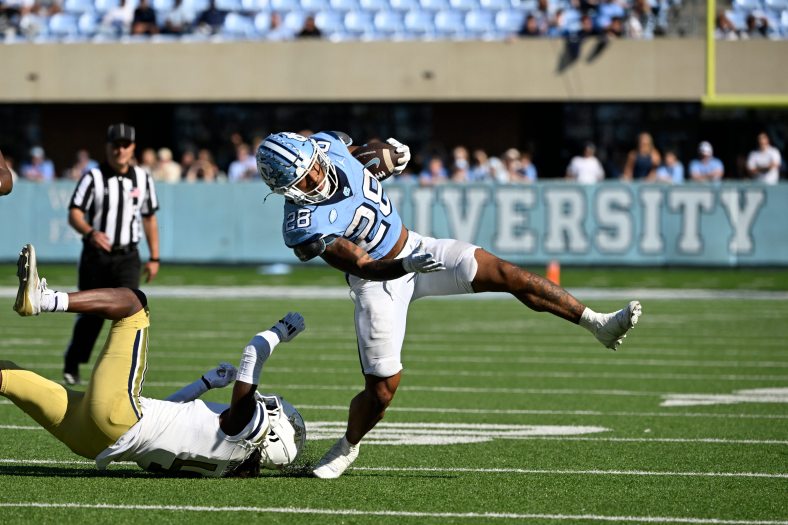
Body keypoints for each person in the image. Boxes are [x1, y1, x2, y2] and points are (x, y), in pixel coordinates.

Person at [255, 131, 643, 479]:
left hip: (417, 246)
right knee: (383, 390)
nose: (313, 181)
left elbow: (361, 153)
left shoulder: (328, 145)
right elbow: (363, 264)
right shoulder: (304, 224)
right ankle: (347, 446)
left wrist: (388, 152)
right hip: (378, 284)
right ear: (284, 189)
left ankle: (597, 322)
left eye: (311, 170)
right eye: (300, 182)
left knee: (505, 273)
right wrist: (405, 265)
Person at [6, 244, 306, 477]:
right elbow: (166, 418)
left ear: (273, 437)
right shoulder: (226, 462)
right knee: (6, 375)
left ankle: (44, 300)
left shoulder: (246, 428)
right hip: (92, 441)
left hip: (117, 417)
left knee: (134, 305)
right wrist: (203, 384)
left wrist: (281, 331)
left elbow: (253, 353)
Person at [63, 123, 161, 386]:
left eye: (125, 145)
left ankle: (121, 371)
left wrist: (154, 257)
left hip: (128, 256)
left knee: (129, 312)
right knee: (91, 314)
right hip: (97, 256)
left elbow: (149, 217)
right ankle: (73, 362)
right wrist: (90, 232)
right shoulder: (92, 177)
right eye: (115, 145)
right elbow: (74, 213)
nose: (120, 150)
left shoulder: (143, 178)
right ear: (107, 147)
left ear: (132, 148)